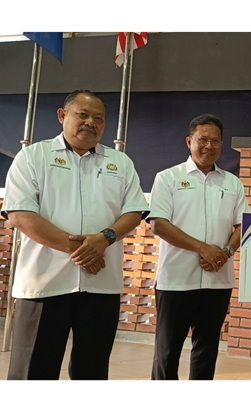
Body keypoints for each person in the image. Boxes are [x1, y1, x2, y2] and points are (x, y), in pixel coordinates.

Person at [1, 90, 149, 379]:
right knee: (33, 373)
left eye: (98, 118)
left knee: (92, 373)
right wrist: (84, 250)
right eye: (83, 115)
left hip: (100, 286)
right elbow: (20, 215)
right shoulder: (33, 157)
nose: (90, 122)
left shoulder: (120, 163)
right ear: (62, 115)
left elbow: (134, 211)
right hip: (45, 285)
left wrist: (104, 239)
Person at [149, 113, 249, 380]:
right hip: (176, 280)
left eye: (215, 141)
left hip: (218, 281)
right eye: (202, 140)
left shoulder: (232, 183)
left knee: (207, 350)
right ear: (189, 141)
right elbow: (158, 224)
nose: (209, 146)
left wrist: (225, 253)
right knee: (167, 351)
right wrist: (203, 249)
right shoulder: (168, 178)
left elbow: (243, 225)